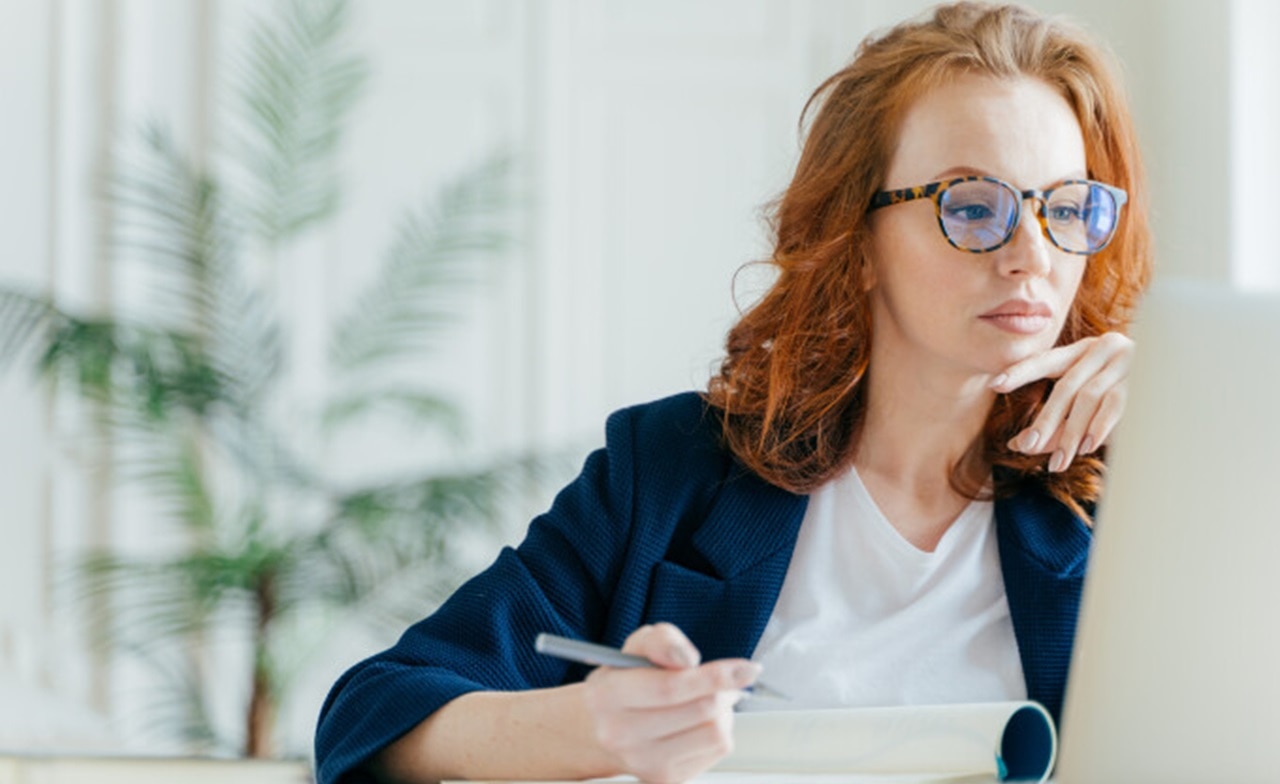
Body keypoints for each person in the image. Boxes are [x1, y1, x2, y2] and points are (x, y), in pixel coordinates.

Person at [313, 2, 1152, 782]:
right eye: (973, 208)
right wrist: (590, 726)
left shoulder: (1140, 491)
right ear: (855, 244)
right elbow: (370, 717)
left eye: (1066, 208)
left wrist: (1183, 435)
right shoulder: (674, 472)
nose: (1033, 256)